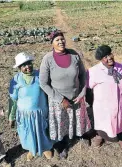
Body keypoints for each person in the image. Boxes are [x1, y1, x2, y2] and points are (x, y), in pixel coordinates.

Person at [39, 30, 91, 159]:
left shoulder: (74, 55)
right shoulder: (48, 59)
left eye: (62, 39)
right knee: (61, 123)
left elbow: (83, 75)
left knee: (79, 119)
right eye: (57, 40)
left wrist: (82, 93)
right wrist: (61, 100)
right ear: (52, 43)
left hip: (76, 96)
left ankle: (81, 135)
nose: (61, 42)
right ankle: (62, 145)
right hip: (58, 100)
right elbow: (43, 83)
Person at [9, 52, 53, 161]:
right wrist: (11, 116)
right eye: (24, 65)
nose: (27, 66)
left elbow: (49, 93)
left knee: (42, 130)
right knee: (28, 132)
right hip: (24, 114)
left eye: (29, 63)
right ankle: (31, 149)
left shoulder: (40, 75)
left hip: (40, 112)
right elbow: (13, 100)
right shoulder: (16, 80)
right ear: (19, 68)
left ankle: (46, 148)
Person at [87, 45, 122, 150]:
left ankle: (121, 138)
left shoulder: (120, 68)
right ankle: (100, 136)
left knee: (120, 121)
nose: (109, 58)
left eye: (109, 54)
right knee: (103, 123)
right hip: (104, 106)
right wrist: (92, 102)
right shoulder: (94, 71)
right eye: (105, 57)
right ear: (101, 60)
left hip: (120, 103)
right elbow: (88, 89)